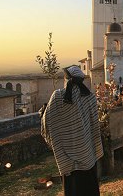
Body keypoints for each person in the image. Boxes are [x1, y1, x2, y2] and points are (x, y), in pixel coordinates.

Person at [41, 65, 103, 196]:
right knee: (89, 189)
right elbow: (94, 127)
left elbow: (47, 124)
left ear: (66, 79)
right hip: (88, 155)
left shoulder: (57, 97)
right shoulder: (90, 98)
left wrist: (42, 114)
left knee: (73, 190)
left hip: (66, 157)